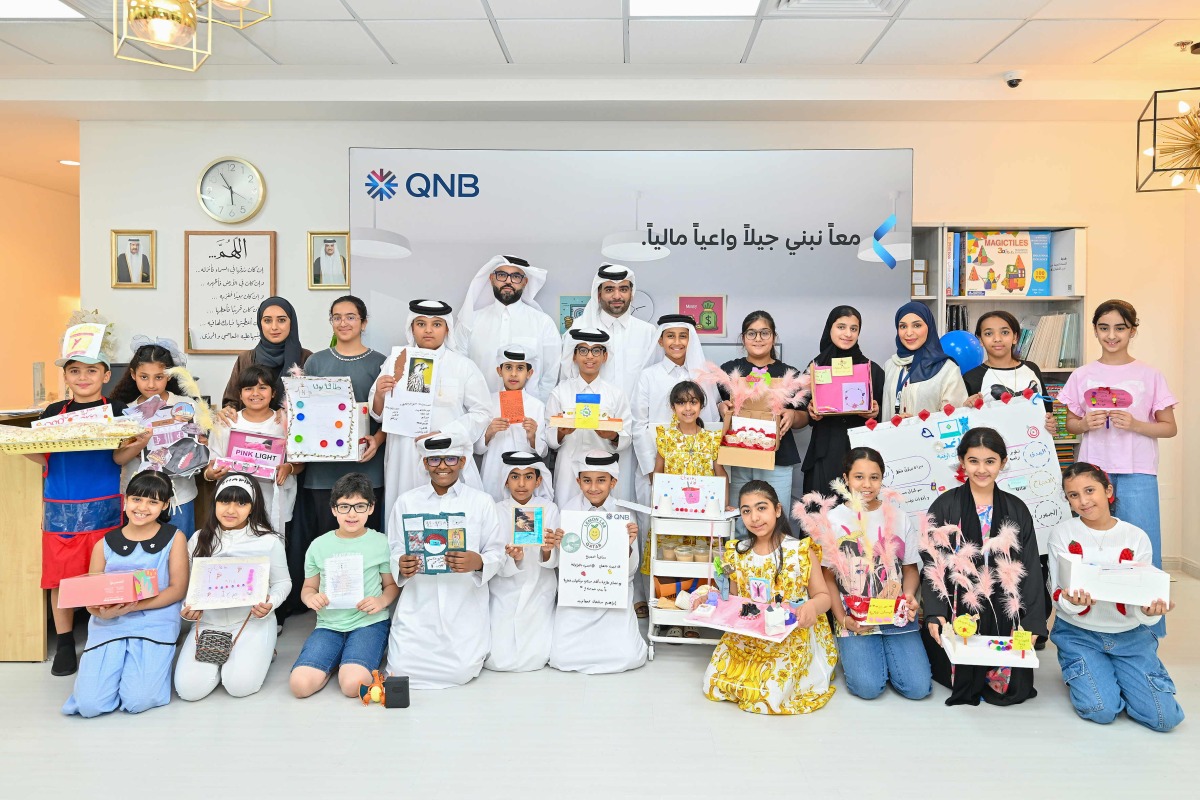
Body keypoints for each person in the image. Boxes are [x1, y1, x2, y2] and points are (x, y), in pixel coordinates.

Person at [31, 330, 147, 676]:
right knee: (61, 580)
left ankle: (105, 634)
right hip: (61, 509)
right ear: (65, 375)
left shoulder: (117, 410)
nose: (83, 378)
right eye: (75, 371)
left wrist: (140, 442)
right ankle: (65, 644)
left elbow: (117, 459)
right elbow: (43, 457)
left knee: (107, 574)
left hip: (105, 507)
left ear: (106, 375)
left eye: (91, 371)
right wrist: (19, 446)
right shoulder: (52, 412)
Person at [1059, 300, 1176, 636]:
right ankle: (1095, 623)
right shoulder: (1082, 375)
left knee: (1144, 548)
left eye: (1120, 328)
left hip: (1138, 470)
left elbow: (1169, 427)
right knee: (1094, 549)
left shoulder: (1150, 375)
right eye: (1104, 328)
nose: (1112, 335)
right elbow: (1071, 425)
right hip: (1092, 471)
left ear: (1132, 331)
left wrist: (1137, 424)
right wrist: (1084, 423)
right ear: (1095, 330)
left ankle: (1149, 629)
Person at [1046, 463, 1182, 731]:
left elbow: (1144, 595)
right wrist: (1072, 602)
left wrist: (1150, 611)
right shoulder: (1063, 534)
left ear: (1108, 490)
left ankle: (1122, 674)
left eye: (1089, 490)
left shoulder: (1136, 537)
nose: (1083, 501)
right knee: (1101, 709)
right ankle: (1092, 671)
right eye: (1073, 495)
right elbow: (1057, 591)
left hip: (1131, 636)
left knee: (1165, 719)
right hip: (1079, 633)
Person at [920, 427, 1046, 706]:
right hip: (959, 603)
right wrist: (936, 612)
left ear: (1002, 462)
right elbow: (933, 563)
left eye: (990, 461)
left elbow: (1031, 567)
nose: (981, 469)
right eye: (973, 461)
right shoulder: (945, 505)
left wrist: (1033, 621)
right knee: (960, 672)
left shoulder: (1016, 508)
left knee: (1011, 686)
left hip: (1004, 605)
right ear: (962, 461)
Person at [798, 448, 930, 701]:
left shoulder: (899, 517)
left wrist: (909, 596)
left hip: (896, 616)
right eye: (859, 477)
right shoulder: (832, 520)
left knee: (918, 688)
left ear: (882, 479)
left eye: (874, 477)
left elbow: (910, 568)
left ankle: (893, 655)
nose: (867, 485)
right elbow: (827, 577)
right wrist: (842, 619)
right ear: (846, 478)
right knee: (867, 688)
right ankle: (867, 655)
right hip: (854, 618)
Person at [290, 297, 387, 620]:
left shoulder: (380, 362)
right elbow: (303, 411)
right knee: (328, 546)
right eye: (337, 317)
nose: (344, 323)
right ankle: (329, 615)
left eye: (351, 317)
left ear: (364, 321)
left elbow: (391, 415)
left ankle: (368, 614)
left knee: (365, 546)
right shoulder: (316, 362)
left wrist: (378, 438)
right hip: (322, 472)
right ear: (330, 321)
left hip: (366, 467)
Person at [703, 480, 837, 715]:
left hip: (790, 631)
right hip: (750, 631)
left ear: (777, 509)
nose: (754, 517)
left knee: (770, 693)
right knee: (714, 683)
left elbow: (823, 596)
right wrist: (709, 596)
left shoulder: (800, 551)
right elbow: (733, 598)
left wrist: (812, 607)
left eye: (761, 508)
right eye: (746, 511)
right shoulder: (737, 552)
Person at [62, 471, 188, 717]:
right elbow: (92, 594)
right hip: (109, 624)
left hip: (154, 623)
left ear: (164, 505)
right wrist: (100, 612)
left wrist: (135, 606)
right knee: (89, 705)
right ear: (126, 500)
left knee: (138, 700)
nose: (143, 507)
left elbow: (177, 589)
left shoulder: (175, 538)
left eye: (153, 502)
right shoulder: (104, 544)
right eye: (137, 499)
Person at [389, 434, 505, 689]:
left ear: (463, 461)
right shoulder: (406, 502)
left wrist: (478, 562)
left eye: (450, 459)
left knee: (461, 670)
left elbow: (497, 552)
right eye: (434, 460)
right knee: (399, 668)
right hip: (418, 604)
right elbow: (395, 547)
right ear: (425, 463)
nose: (442, 466)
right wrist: (401, 563)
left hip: (462, 606)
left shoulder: (481, 502)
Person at [175, 475, 290, 701]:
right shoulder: (199, 539)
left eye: (241, 503)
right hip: (208, 624)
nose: (231, 510)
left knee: (239, 687)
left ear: (252, 507)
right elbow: (189, 587)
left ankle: (262, 650)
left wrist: (270, 604)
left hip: (251, 623)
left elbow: (283, 582)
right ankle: (236, 658)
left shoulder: (268, 541)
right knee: (189, 691)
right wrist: (187, 608)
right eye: (224, 502)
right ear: (215, 503)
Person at [368, 299, 491, 500]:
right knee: (405, 509)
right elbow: (378, 415)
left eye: (436, 324)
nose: (428, 330)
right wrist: (380, 394)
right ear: (412, 328)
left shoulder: (463, 366)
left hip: (446, 452)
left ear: (447, 329)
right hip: (404, 454)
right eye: (421, 324)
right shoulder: (395, 361)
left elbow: (482, 413)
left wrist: (445, 433)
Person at [290, 473, 397, 699]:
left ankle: (349, 660)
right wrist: (310, 598)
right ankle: (336, 661)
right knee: (299, 686)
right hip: (329, 625)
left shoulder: (381, 543)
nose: (351, 513)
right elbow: (308, 587)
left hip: (368, 623)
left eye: (359, 506)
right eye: (344, 506)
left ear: (371, 508)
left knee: (352, 686)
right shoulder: (318, 546)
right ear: (333, 509)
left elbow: (391, 586)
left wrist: (381, 601)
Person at [548, 451, 647, 674]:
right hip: (577, 595)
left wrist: (628, 545)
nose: (593, 487)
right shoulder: (568, 512)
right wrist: (557, 545)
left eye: (601, 480)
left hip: (613, 594)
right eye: (587, 480)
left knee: (627, 655)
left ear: (613, 482)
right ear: (577, 482)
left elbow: (631, 570)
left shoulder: (624, 513)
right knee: (561, 657)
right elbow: (562, 566)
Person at [642, 379, 726, 618]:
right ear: (672, 407)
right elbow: (658, 472)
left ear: (701, 405)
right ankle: (669, 614)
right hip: (672, 513)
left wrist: (722, 505)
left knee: (700, 564)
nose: (687, 408)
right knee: (669, 561)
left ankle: (696, 615)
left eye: (693, 402)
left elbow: (720, 474)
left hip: (702, 516)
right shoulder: (666, 437)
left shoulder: (711, 438)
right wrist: (657, 502)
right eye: (681, 403)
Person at [716, 310, 805, 534]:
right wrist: (721, 406)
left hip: (778, 457)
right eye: (752, 333)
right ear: (743, 338)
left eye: (764, 333)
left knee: (776, 520)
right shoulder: (728, 371)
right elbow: (710, 406)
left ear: (774, 337)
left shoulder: (789, 373)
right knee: (740, 521)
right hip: (739, 456)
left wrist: (793, 416)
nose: (758, 338)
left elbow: (805, 416)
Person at [632, 313, 720, 514]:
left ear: (691, 340)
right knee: (656, 526)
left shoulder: (702, 375)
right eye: (670, 336)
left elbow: (712, 419)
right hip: (656, 464)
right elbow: (638, 425)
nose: (677, 342)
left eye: (683, 336)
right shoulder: (648, 376)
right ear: (661, 341)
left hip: (697, 469)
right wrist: (652, 470)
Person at [113, 337, 201, 536]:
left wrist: (198, 445)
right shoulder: (126, 411)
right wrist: (136, 448)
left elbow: (199, 449)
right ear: (133, 375)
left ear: (169, 376)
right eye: (144, 377)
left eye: (159, 377)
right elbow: (118, 458)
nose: (151, 384)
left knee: (179, 552)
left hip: (179, 495)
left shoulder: (186, 405)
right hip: (138, 498)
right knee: (140, 554)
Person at [485, 451, 563, 673]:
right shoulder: (496, 510)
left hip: (540, 586)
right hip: (503, 587)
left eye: (528, 477)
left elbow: (553, 561)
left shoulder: (549, 509)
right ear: (506, 481)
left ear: (539, 481)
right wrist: (513, 558)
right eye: (514, 477)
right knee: (498, 658)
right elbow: (491, 553)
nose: (521, 484)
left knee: (537, 654)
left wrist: (547, 551)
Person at [794, 306, 884, 497]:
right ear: (830, 329)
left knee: (859, 516)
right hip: (824, 451)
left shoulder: (871, 371)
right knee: (821, 515)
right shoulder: (815, 369)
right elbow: (799, 410)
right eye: (841, 327)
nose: (848, 334)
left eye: (854, 328)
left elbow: (888, 419)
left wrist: (876, 412)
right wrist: (811, 413)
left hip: (860, 455)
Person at [204, 365, 300, 538]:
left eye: (262, 388)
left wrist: (288, 468)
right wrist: (211, 473)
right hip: (234, 506)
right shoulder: (227, 422)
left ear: (273, 393)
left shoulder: (286, 423)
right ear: (240, 394)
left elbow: (300, 464)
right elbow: (211, 466)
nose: (255, 393)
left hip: (275, 503)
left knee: (272, 550)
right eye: (249, 389)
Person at [546, 327, 632, 507]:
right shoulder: (560, 392)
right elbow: (550, 439)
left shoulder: (615, 394)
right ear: (574, 356)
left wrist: (612, 436)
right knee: (567, 522)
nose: (590, 356)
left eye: (596, 350)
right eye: (583, 350)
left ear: (604, 356)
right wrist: (562, 433)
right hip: (568, 473)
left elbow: (627, 437)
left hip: (603, 473)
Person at [455, 255, 560, 402]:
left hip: (529, 417)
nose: (509, 281)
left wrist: (537, 407)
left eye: (516, 276)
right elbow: (459, 368)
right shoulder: (470, 321)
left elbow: (551, 373)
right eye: (502, 275)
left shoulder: (543, 323)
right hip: (479, 413)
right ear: (492, 279)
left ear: (525, 282)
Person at [559, 264, 657, 402]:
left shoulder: (648, 332)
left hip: (636, 419)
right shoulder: (579, 329)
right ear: (599, 295)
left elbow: (654, 380)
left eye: (623, 289)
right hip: (591, 417)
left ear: (632, 293)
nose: (617, 296)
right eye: (609, 289)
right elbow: (567, 378)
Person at [476, 344, 548, 502]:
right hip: (493, 471)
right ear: (499, 371)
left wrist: (532, 436)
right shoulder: (487, 402)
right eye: (508, 367)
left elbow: (542, 452)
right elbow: (477, 449)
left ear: (529, 373)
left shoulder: (537, 406)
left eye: (520, 368)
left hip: (524, 479)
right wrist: (490, 432)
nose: (514, 374)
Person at [962, 309, 1055, 429]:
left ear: (1015, 337)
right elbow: (967, 420)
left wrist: (1050, 423)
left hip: (1031, 442)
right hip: (992, 445)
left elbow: (1046, 409)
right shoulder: (972, 377)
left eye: (1005, 332)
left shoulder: (1032, 369)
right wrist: (966, 407)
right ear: (980, 340)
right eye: (988, 334)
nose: (997, 339)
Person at [221, 297, 311, 412]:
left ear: (291, 323)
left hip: (293, 428)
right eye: (267, 320)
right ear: (260, 323)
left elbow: (313, 402)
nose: (274, 327)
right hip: (252, 427)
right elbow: (231, 401)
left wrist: (288, 412)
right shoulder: (245, 359)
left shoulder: (306, 358)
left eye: (281, 320)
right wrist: (229, 410)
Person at [882, 301, 967, 417]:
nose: (909, 333)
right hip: (890, 434)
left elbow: (954, 419)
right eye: (903, 326)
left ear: (929, 327)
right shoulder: (890, 365)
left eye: (917, 325)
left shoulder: (948, 369)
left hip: (928, 435)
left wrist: (916, 425)